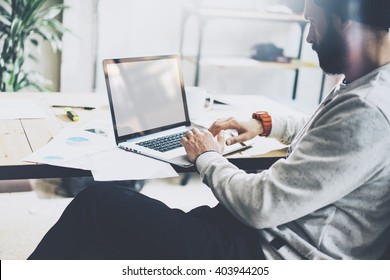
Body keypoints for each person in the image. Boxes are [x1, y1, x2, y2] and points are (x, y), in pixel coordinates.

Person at [29, 0, 390, 260]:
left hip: (268, 255)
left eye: (314, 22)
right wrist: (263, 124)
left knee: (97, 205)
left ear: (347, 18)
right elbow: (326, 136)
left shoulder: (368, 109)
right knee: (119, 226)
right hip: (267, 236)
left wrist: (208, 157)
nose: (309, 37)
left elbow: (261, 206)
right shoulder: (365, 84)